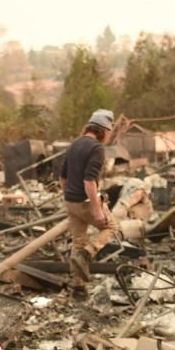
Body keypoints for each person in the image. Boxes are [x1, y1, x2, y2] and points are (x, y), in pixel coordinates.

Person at [59, 109, 119, 297]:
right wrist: (97, 210)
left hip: (70, 202)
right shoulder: (96, 148)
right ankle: (87, 253)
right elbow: (89, 181)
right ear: (103, 131)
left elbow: (62, 178)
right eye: (109, 133)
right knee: (111, 227)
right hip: (86, 202)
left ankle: (78, 287)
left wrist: (69, 197)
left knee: (78, 242)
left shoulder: (74, 144)